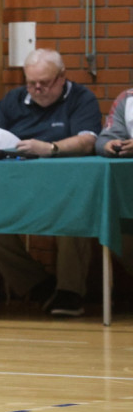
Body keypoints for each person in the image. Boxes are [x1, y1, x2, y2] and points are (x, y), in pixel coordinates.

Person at [0, 48, 102, 317]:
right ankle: (38, 285)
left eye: (44, 83)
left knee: (74, 214)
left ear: (62, 77)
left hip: (66, 189)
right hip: (15, 186)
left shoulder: (82, 98)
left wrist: (50, 147)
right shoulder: (14, 98)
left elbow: (88, 140)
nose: (37, 89)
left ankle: (70, 293)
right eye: (31, 83)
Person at [96, 87, 133, 277]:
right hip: (129, 193)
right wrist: (109, 146)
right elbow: (104, 138)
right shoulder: (127, 98)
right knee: (115, 230)